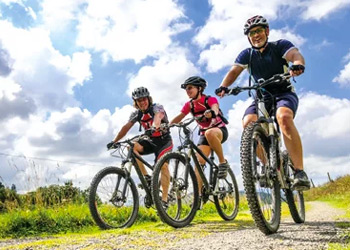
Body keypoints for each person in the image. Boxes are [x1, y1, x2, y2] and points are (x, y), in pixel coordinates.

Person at [215, 15, 310, 190]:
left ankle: (299, 172)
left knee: (284, 117)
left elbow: (295, 55)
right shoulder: (247, 55)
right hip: (261, 97)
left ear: (266, 31)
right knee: (248, 122)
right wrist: (223, 86)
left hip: (283, 92)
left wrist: (297, 64)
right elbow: (234, 71)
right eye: (251, 33)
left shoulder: (279, 46)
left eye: (258, 31)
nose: (255, 35)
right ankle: (268, 165)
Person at [107, 87, 172, 207]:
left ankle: (164, 200)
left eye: (144, 99)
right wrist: (114, 141)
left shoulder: (157, 107)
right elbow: (126, 127)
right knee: (131, 147)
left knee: (163, 165)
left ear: (148, 99)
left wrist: (154, 127)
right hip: (150, 140)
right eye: (139, 100)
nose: (142, 102)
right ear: (135, 102)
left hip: (164, 141)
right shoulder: (137, 114)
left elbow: (157, 118)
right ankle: (147, 177)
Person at [171, 76, 230, 206]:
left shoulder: (209, 99)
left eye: (190, 88)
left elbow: (215, 106)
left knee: (209, 132)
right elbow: (180, 116)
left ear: (199, 88)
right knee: (199, 162)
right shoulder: (190, 105)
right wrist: (168, 126)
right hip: (204, 135)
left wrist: (211, 112)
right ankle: (198, 197)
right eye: (186, 89)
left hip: (218, 130)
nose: (188, 91)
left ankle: (222, 163)